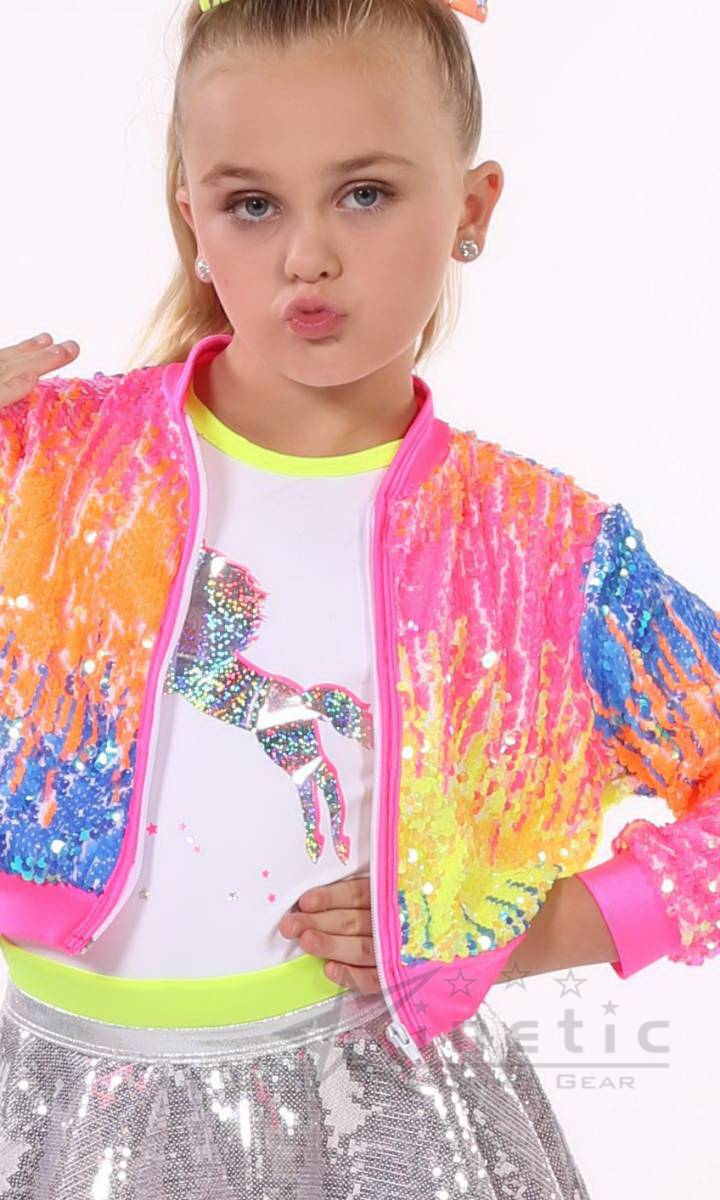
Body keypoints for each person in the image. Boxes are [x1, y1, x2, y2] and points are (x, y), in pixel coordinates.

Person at [0, 0, 718, 1196]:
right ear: (192, 216)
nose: (308, 257)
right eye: (253, 204)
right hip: (59, 1117)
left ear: (474, 208)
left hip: (383, 1124)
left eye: (366, 194)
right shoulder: (48, 469)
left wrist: (540, 932)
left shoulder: (539, 549)